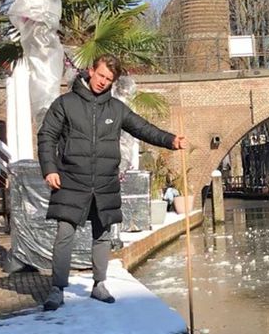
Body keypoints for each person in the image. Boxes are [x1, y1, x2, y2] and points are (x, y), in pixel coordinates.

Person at [37, 54, 187, 311]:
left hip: (105, 181)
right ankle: (57, 288)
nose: (103, 82)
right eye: (101, 75)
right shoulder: (65, 104)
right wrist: (50, 169)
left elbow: (143, 128)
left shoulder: (116, 109)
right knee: (65, 233)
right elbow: (46, 136)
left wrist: (170, 140)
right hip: (71, 179)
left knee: (103, 233)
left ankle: (99, 284)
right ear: (91, 71)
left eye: (109, 79)